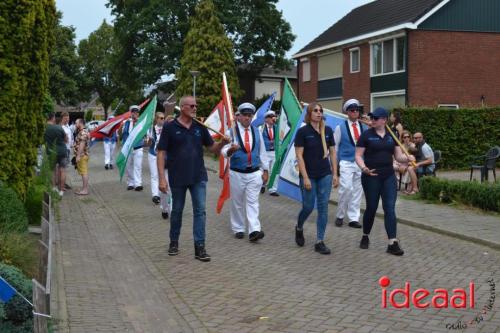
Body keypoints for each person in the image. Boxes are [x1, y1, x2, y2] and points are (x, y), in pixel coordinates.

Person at [157, 96, 230, 262]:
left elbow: (213, 149)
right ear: (182, 107)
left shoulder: (200, 126)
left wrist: (222, 143)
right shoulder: (170, 127)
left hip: (198, 176)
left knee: (200, 211)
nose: (195, 108)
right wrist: (162, 178)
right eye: (192, 105)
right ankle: (174, 242)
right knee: (176, 211)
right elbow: (161, 153)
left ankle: (200, 247)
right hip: (177, 177)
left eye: (196, 105)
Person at [355, 107, 415, 256]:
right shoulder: (366, 135)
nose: (372, 120)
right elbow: (357, 155)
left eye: (376, 118)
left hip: (388, 175)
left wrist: (407, 158)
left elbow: (398, 156)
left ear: (384, 120)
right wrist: (364, 168)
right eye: (372, 118)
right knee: (372, 207)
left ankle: (392, 242)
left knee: (390, 208)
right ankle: (365, 235)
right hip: (371, 175)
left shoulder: (392, 135)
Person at [294, 103, 339, 255]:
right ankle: (299, 227)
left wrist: (335, 173)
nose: (319, 113)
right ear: (309, 114)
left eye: (321, 111)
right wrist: (305, 177)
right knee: (308, 206)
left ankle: (319, 241)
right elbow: (299, 155)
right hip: (309, 175)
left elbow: (332, 153)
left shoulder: (327, 130)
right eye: (315, 111)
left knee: (323, 207)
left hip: (324, 174)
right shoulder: (302, 132)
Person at [222, 103, 270, 242]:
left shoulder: (257, 131)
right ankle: (238, 228)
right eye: (245, 115)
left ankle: (254, 230)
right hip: (237, 172)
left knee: (253, 202)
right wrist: (230, 150)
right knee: (237, 202)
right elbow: (224, 152)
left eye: (250, 116)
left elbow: (262, 152)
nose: (247, 118)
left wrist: (265, 170)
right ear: (239, 116)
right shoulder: (231, 132)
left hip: (254, 172)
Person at [334, 99, 367, 228]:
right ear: (347, 112)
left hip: (360, 163)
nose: (355, 112)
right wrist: (335, 168)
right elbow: (335, 147)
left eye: (357, 110)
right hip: (346, 162)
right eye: (352, 110)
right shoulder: (340, 127)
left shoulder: (364, 127)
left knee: (358, 191)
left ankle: (353, 218)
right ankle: (340, 215)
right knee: (346, 188)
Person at [146, 112, 171, 219]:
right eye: (160, 118)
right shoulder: (151, 129)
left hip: (165, 157)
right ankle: (155, 195)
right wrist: (149, 140)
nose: (162, 120)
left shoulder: (167, 129)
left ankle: (167, 206)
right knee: (155, 175)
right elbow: (147, 144)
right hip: (153, 154)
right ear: (156, 119)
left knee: (166, 180)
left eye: (163, 118)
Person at [44, 112, 68, 197]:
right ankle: (61, 190)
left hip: (51, 152)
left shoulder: (44, 128)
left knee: (53, 171)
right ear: (53, 118)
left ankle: (54, 188)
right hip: (62, 151)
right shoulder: (59, 127)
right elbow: (66, 139)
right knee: (63, 170)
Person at [122, 105, 145, 191]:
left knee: (137, 166)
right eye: (133, 112)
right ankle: (130, 183)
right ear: (130, 113)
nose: (134, 114)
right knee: (129, 166)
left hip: (138, 147)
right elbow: (123, 134)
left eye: (136, 112)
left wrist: (137, 122)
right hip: (128, 148)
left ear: (138, 113)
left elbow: (144, 133)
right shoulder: (126, 122)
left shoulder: (142, 122)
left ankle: (138, 184)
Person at [260, 110, 278, 196]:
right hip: (265, 152)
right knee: (264, 169)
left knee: (274, 170)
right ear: (266, 119)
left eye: (274, 116)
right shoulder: (262, 128)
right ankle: (262, 185)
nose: (273, 118)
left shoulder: (277, 127)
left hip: (274, 151)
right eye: (271, 116)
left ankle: (272, 189)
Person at [73, 118, 90, 195]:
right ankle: (84, 188)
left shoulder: (83, 132)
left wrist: (78, 156)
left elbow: (82, 144)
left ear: (80, 123)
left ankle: (85, 190)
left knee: (84, 172)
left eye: (76, 123)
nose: (75, 125)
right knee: (83, 172)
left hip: (82, 155)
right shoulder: (83, 131)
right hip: (83, 155)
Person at [60, 111, 73, 190]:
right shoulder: (61, 127)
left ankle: (63, 182)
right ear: (62, 118)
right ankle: (62, 185)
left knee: (66, 167)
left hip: (68, 149)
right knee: (63, 168)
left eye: (68, 118)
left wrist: (72, 143)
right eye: (65, 118)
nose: (67, 120)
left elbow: (71, 137)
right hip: (63, 149)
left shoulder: (68, 126)